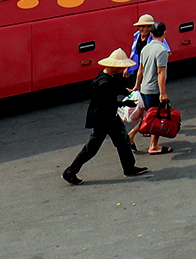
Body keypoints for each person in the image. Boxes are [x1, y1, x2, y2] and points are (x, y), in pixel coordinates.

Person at [64, 49, 151, 185]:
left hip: (107, 116)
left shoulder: (106, 77)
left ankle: (129, 167)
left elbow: (115, 89)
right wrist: (125, 102)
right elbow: (108, 103)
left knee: (122, 141)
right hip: (103, 118)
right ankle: (70, 172)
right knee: (93, 148)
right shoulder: (105, 84)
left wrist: (124, 91)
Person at [136, 22, 173, 155]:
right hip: (154, 90)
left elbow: (140, 69)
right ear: (165, 32)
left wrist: (137, 85)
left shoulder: (145, 48)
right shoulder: (162, 50)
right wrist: (162, 93)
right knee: (156, 118)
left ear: (151, 34)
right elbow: (160, 72)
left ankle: (131, 136)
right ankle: (154, 146)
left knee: (149, 116)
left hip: (144, 88)